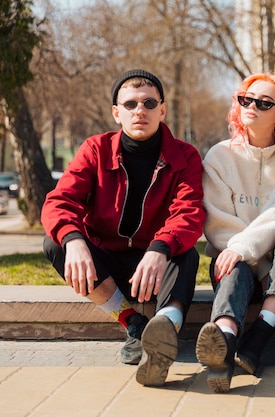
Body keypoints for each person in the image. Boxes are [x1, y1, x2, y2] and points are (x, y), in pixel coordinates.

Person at [42, 69, 206, 387]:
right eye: (130, 104)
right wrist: (73, 239)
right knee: (55, 243)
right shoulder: (95, 149)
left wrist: (159, 249)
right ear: (117, 113)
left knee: (186, 254)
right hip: (109, 267)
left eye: (148, 103)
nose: (139, 111)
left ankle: (165, 331)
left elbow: (189, 213)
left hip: (156, 266)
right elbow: (59, 201)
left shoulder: (185, 156)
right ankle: (133, 323)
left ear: (162, 109)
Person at [195, 73, 275, 393]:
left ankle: (257, 336)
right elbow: (218, 223)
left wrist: (259, 261)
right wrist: (252, 259)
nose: (252, 107)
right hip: (236, 266)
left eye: (264, 103)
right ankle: (224, 342)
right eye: (246, 99)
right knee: (232, 263)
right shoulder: (219, 157)